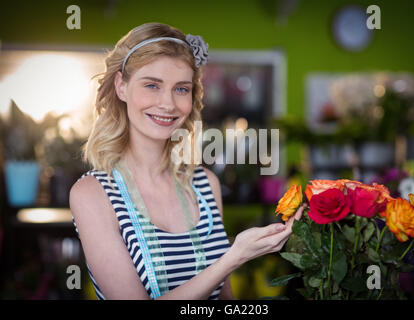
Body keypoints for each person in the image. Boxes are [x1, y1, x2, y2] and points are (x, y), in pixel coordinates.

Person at [69, 22, 305, 300]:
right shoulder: (92, 195)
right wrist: (233, 257)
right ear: (121, 86)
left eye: (181, 89)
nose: (168, 104)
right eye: (152, 85)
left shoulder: (205, 184)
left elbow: (224, 299)